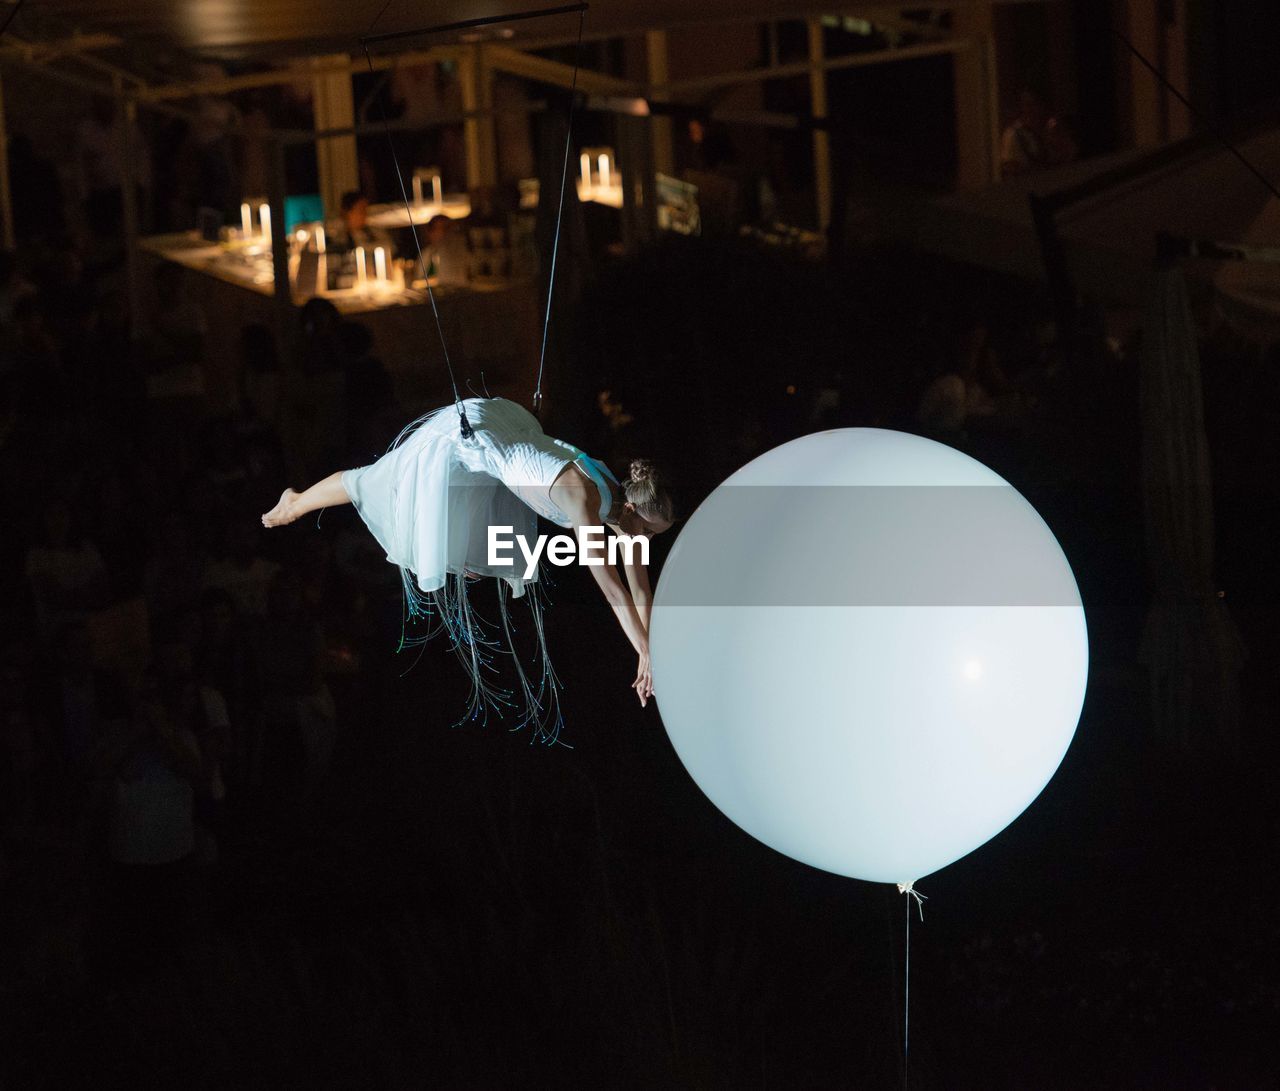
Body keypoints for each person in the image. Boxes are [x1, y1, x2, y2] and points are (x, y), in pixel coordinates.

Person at [260, 397, 673, 729]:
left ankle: (303, 501)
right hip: (480, 438)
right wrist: (643, 649)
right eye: (649, 531)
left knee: (473, 558)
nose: (646, 541)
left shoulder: (619, 502)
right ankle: (295, 501)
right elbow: (614, 588)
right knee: (380, 480)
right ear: (634, 509)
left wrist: (648, 650)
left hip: (507, 445)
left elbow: (639, 587)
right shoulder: (584, 498)